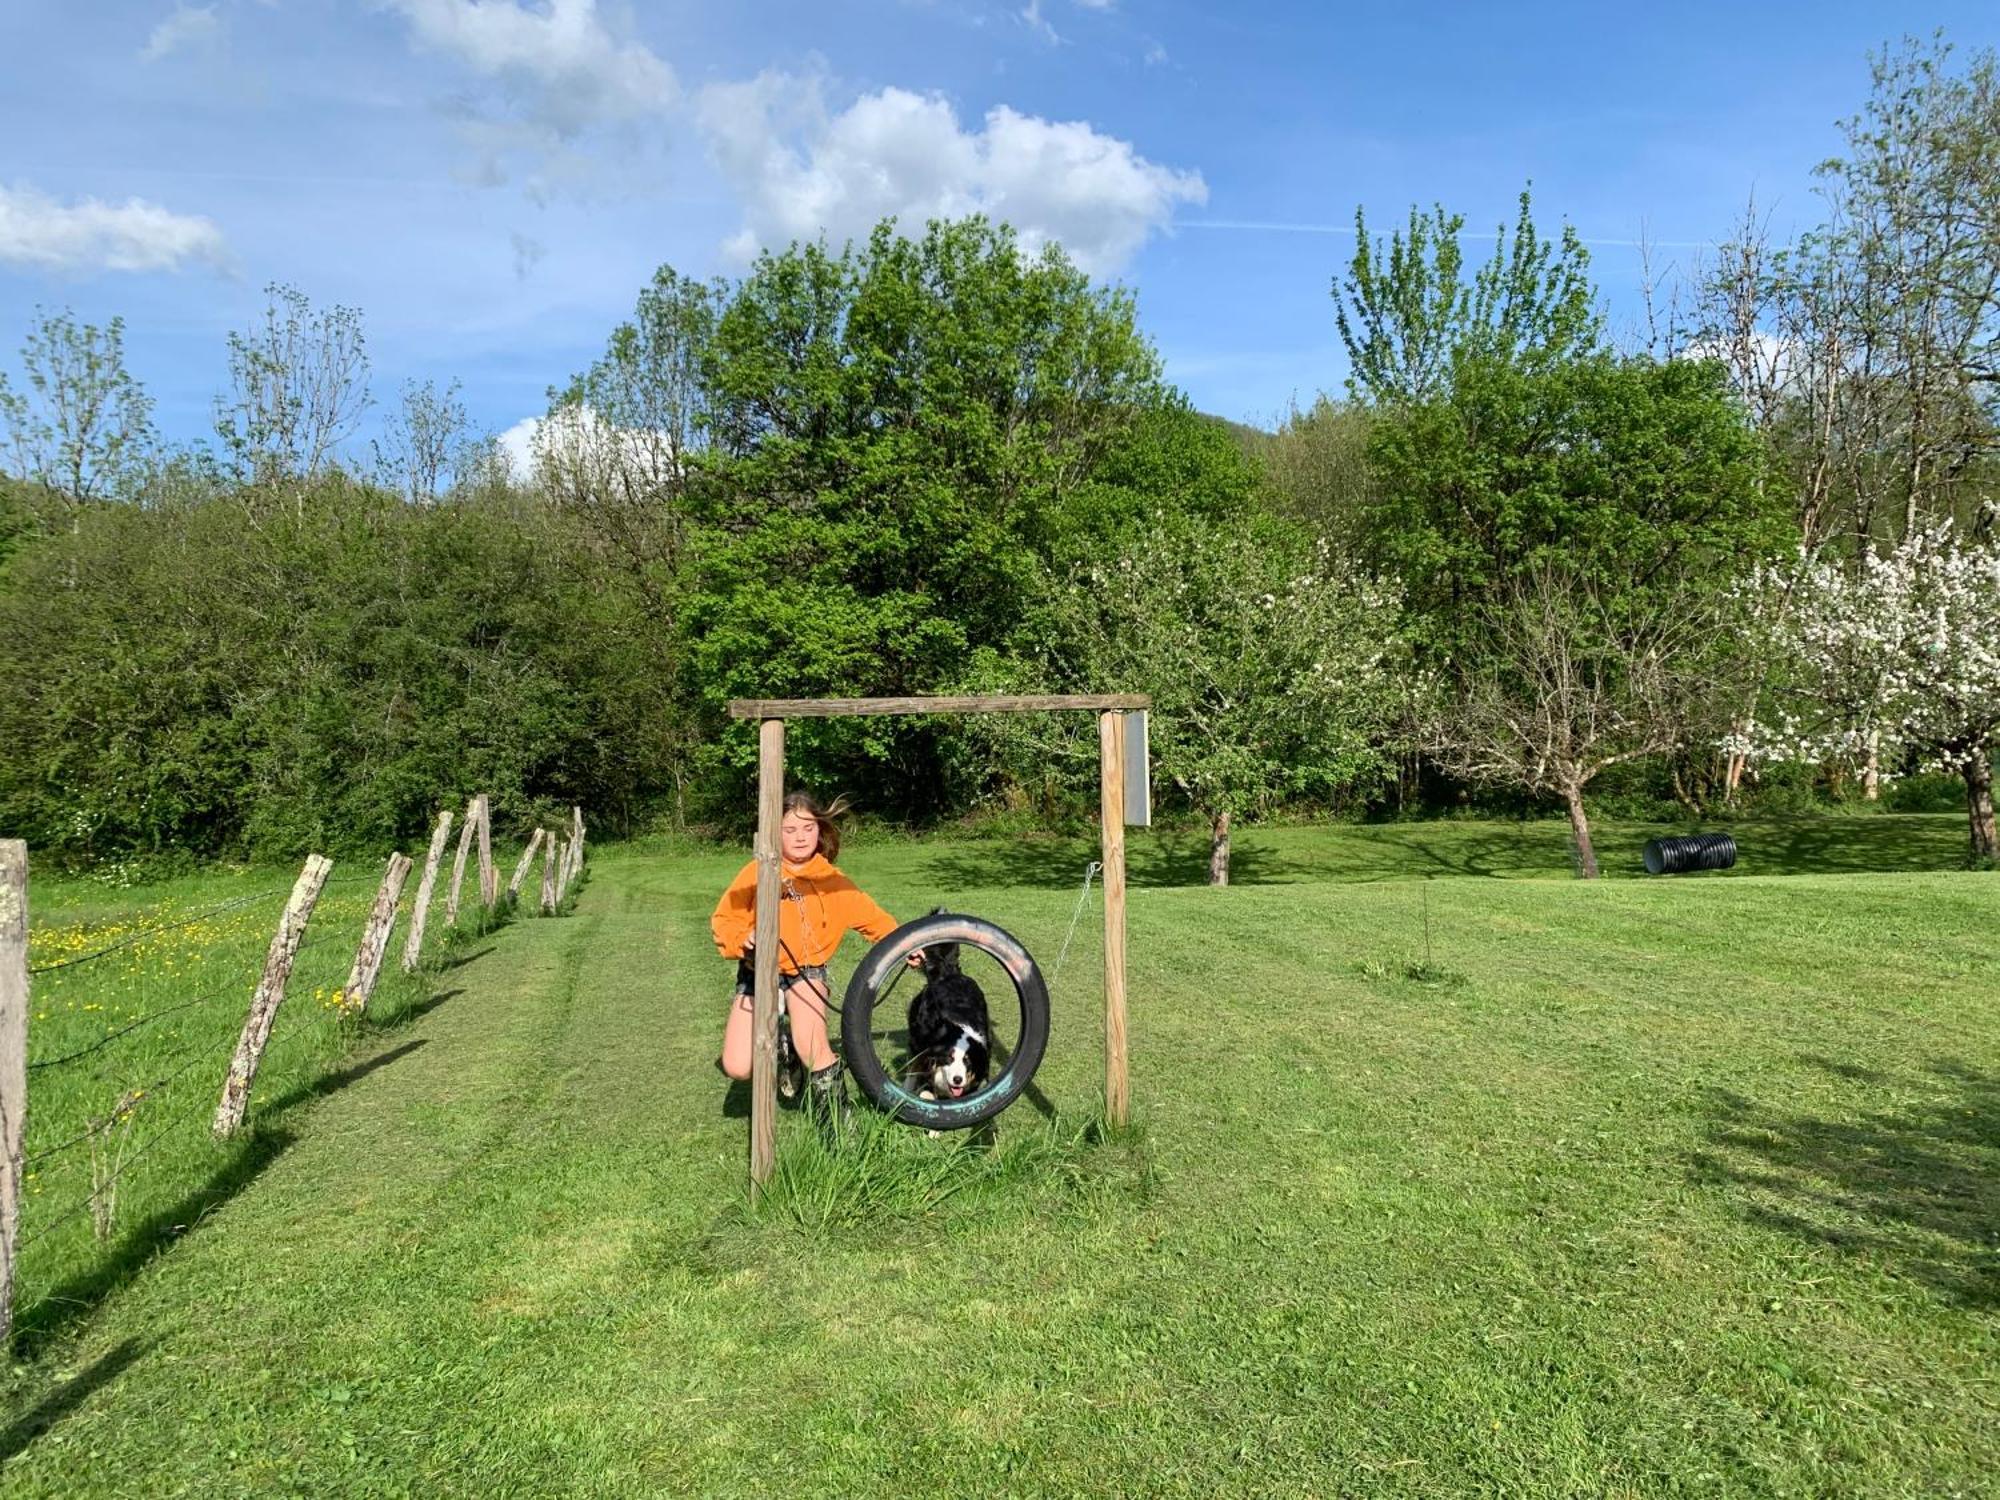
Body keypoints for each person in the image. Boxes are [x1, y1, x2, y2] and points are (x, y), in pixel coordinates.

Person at [710, 792, 902, 1125]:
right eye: (789, 829)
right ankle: (786, 1044)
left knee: (813, 1045)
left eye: (808, 827)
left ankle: (840, 1132)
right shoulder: (757, 872)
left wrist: (907, 946)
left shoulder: (832, 880)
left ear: (820, 830)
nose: (800, 837)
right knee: (737, 1066)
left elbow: (874, 919)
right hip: (758, 972)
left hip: (806, 973)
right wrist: (744, 940)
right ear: (774, 833)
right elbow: (725, 919)